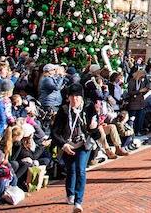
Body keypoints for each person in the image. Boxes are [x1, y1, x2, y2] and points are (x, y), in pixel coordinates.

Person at [52, 82, 98, 213]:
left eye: (77, 97)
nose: (74, 99)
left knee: (80, 170)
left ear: (82, 97)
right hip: (68, 144)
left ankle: (78, 202)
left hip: (83, 143)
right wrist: (63, 145)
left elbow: (94, 126)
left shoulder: (89, 107)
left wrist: (93, 126)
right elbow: (55, 131)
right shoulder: (64, 110)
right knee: (71, 170)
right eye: (71, 97)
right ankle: (70, 194)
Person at [126, 68, 150, 136]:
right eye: (142, 76)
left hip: (140, 102)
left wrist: (146, 90)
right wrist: (139, 91)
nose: (143, 78)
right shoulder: (132, 81)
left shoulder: (142, 81)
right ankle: (132, 132)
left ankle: (138, 131)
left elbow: (148, 86)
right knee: (132, 119)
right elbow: (130, 92)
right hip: (133, 102)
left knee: (140, 118)